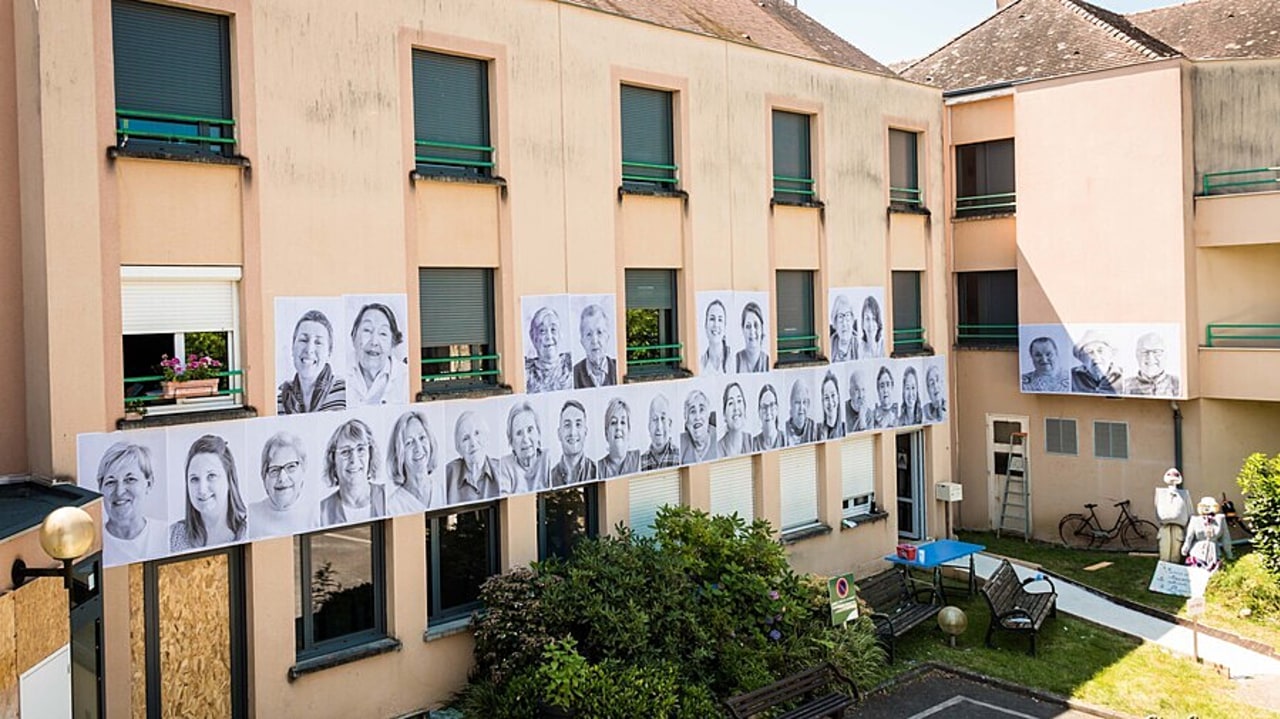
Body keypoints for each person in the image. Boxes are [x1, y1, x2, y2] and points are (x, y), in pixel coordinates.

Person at [170, 435, 248, 551]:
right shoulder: (173, 535)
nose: (202, 489)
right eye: (194, 479)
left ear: (229, 480)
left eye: (211, 476)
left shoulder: (250, 531)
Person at [97, 442, 167, 564]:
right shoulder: (91, 545)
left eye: (130, 479)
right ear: (100, 488)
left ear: (148, 484)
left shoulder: (167, 534)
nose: (119, 492)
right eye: (111, 482)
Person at [248, 431, 319, 539]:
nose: (282, 478)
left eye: (291, 467)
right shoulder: (249, 516)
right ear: (264, 476)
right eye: (274, 470)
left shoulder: (317, 514)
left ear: (303, 469)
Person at [278, 310, 346, 414]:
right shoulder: (279, 402)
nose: (309, 349)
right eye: (303, 340)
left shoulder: (345, 395)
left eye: (318, 342)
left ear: (329, 353)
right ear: (292, 347)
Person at [320, 419, 387, 525]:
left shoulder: (389, 496)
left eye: (360, 449)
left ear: (370, 454)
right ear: (333, 459)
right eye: (345, 452)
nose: (354, 460)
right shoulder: (321, 511)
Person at [348, 302, 408, 406]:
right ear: (354, 337)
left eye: (383, 333)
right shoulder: (341, 373)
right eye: (367, 330)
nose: (374, 342)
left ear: (392, 344)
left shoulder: (406, 378)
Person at [385, 410, 443, 514]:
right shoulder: (392, 506)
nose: (418, 447)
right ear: (399, 453)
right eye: (409, 442)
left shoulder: (443, 489)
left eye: (422, 438)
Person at [445, 410, 502, 504]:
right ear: (459, 448)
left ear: (486, 437)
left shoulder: (501, 469)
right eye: (465, 438)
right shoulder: (448, 474)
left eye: (477, 433)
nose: (473, 443)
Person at [497, 400, 549, 495]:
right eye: (519, 433)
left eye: (530, 430)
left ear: (538, 433)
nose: (525, 439)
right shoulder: (505, 465)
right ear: (511, 441)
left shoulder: (548, 458)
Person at [549, 400, 599, 487]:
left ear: (585, 432)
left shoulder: (596, 471)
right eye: (567, 425)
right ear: (559, 434)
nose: (573, 432)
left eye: (578, 424)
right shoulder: (549, 478)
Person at [525, 306, 573, 393]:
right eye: (542, 331)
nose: (549, 337)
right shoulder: (526, 372)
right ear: (533, 337)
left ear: (560, 334)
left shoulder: (571, 365)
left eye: (553, 330)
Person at [1182, 496, 1233, 571]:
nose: (1207, 508)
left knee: (1213, 572)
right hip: (1197, 552)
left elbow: (1226, 537)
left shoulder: (1220, 520)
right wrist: (1185, 548)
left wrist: (1229, 553)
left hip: (1214, 553)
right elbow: (1189, 537)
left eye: (1210, 506)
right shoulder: (1195, 520)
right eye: (1205, 506)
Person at [573, 304, 617, 388]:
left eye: (599, 332)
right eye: (589, 334)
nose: (594, 340)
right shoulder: (574, 374)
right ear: (582, 341)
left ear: (607, 337)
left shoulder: (617, 368)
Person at [1124, 332, 1180, 397]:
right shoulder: (1124, 387)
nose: (1150, 358)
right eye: (1144, 352)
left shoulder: (1179, 384)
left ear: (1165, 355)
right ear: (1137, 355)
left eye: (1156, 352)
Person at [1154, 468, 1191, 564]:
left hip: (1178, 528)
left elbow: (1189, 510)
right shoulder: (1160, 493)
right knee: (1164, 551)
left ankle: (1174, 573)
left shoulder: (1184, 494)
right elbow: (1157, 507)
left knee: (1176, 553)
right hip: (1164, 527)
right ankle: (1163, 572)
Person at [598, 397, 640, 477]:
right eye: (613, 423)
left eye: (623, 422)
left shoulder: (638, 459)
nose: (618, 427)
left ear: (629, 430)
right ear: (606, 433)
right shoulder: (598, 468)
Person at [641, 393, 680, 470]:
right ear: (649, 426)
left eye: (663, 418)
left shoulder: (681, 457)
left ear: (670, 424)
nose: (659, 426)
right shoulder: (640, 463)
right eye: (655, 419)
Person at [681, 389, 720, 463]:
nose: (697, 417)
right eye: (692, 411)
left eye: (701, 410)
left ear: (708, 414)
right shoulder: (681, 443)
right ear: (686, 419)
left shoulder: (719, 438)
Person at [718, 382, 753, 456]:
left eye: (739, 401)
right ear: (724, 414)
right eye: (730, 403)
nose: (736, 407)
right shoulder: (718, 449)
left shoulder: (751, 441)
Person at [735, 302, 770, 373]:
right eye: (748, 326)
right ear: (742, 329)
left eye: (756, 325)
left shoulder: (768, 361)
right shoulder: (736, 360)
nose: (752, 331)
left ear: (762, 328)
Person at [784, 379, 820, 446]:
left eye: (804, 402)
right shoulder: (784, 429)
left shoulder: (814, 428)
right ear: (791, 404)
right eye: (797, 402)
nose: (801, 407)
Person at [753, 383, 785, 451]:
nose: (768, 411)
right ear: (759, 412)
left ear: (777, 409)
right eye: (764, 407)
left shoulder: (786, 440)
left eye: (771, 405)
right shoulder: (753, 444)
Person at [818, 371, 846, 440]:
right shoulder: (817, 432)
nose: (830, 402)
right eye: (826, 398)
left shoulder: (845, 428)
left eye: (833, 395)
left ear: (838, 397)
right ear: (822, 401)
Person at [829, 294, 857, 362]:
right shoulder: (829, 344)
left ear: (852, 319)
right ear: (835, 322)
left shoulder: (859, 344)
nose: (844, 323)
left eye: (847, 316)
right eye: (840, 317)